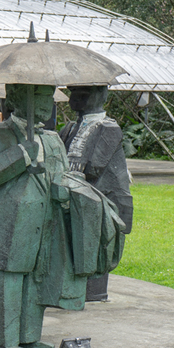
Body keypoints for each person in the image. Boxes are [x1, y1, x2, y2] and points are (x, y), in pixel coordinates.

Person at [0, 84, 68, 348]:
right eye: (37, 96)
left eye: (48, 96)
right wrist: (21, 155)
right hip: (3, 225)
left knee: (34, 281)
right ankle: (1, 341)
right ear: (14, 98)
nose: (45, 104)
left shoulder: (53, 140)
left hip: (42, 224)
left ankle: (29, 336)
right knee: (5, 281)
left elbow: (64, 177)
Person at [59, 85, 133, 301]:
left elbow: (92, 167)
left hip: (104, 200)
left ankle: (93, 292)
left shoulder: (109, 128)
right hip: (81, 198)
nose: (76, 99)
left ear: (102, 95)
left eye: (84, 94)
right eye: (74, 93)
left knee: (95, 248)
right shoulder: (71, 127)